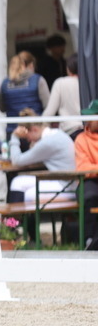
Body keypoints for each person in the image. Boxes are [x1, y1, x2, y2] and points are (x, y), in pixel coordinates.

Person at [6, 108, 75, 203]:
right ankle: (16, 217)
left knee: (28, 194)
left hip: (67, 188)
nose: (28, 140)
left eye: (27, 137)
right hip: (68, 182)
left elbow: (16, 161)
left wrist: (14, 137)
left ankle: (16, 217)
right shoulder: (56, 133)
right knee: (17, 182)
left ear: (34, 129)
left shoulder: (46, 143)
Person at [0, 51, 49, 138]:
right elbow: (48, 106)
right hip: (34, 131)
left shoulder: (5, 83)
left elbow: (2, 108)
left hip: (13, 131)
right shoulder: (38, 80)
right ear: (31, 65)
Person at [73, 99, 98, 250]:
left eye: (92, 116)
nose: (88, 120)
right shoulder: (81, 139)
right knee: (90, 197)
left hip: (92, 176)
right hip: (89, 181)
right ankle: (89, 240)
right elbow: (83, 167)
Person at [43, 53, 82, 139]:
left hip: (69, 133)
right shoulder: (90, 83)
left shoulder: (60, 83)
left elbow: (50, 112)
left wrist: (40, 127)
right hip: (88, 132)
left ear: (68, 68)